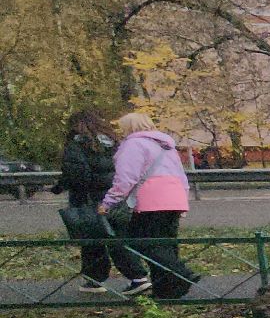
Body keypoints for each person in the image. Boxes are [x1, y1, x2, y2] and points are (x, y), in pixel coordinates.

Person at [98, 112, 196, 298]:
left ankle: (181, 273)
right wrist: (184, 199)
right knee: (166, 243)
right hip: (175, 198)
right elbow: (181, 176)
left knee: (142, 241)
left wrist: (108, 202)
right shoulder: (167, 146)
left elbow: (125, 179)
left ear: (128, 127)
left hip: (150, 200)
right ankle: (166, 290)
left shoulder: (133, 145)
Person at [51, 109, 139, 292]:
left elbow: (76, 174)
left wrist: (60, 187)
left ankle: (95, 279)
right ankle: (138, 276)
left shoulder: (76, 145)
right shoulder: (114, 143)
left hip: (88, 200)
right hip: (115, 198)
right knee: (119, 238)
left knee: (91, 240)